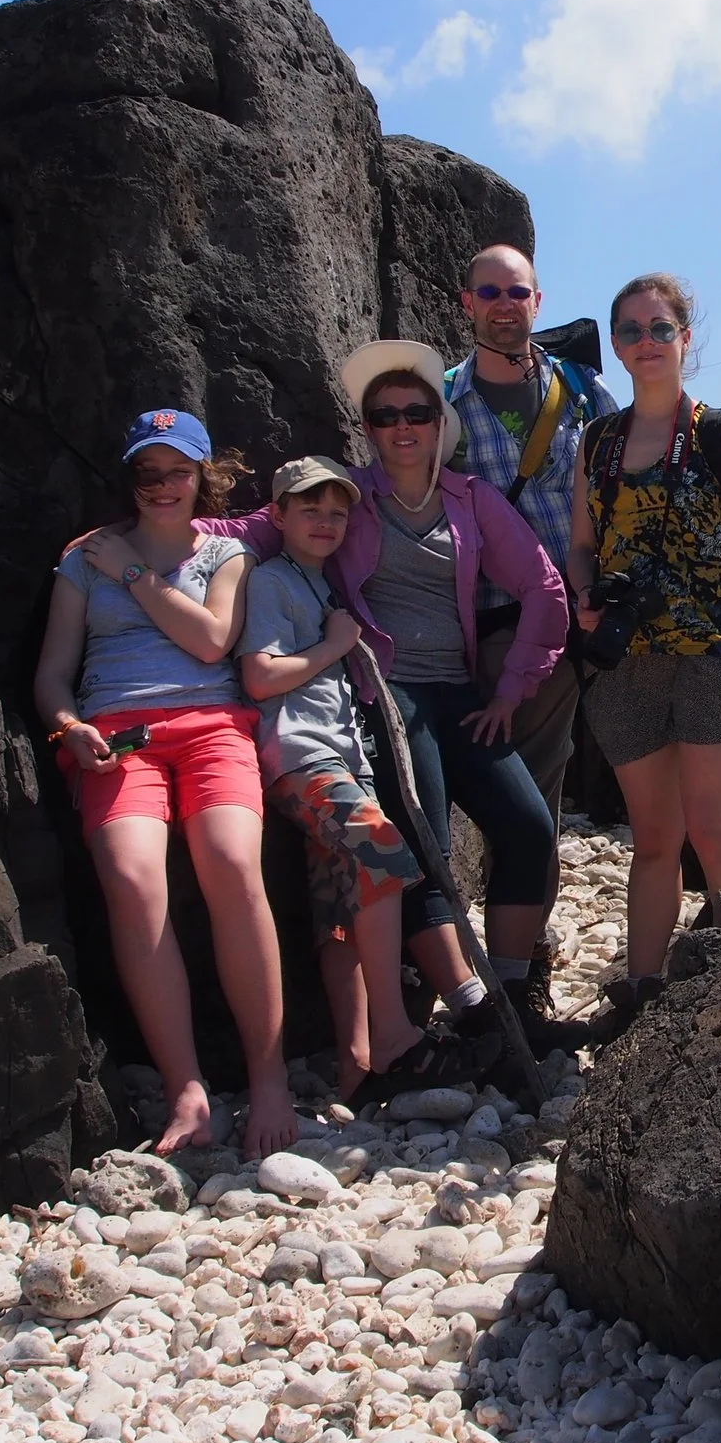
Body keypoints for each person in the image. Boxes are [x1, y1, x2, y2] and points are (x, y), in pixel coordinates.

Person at [202, 340, 585, 1053]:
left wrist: (511, 688)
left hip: (461, 693)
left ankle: (509, 997)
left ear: (441, 424)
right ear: (370, 428)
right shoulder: (346, 497)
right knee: (428, 847)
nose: (402, 425)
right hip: (388, 694)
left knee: (529, 827)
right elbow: (244, 528)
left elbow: (544, 587)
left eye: (417, 411)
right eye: (385, 414)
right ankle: (480, 1014)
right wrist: (138, 543)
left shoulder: (472, 502)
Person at [32, 409, 297, 1158]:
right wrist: (66, 725)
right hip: (116, 735)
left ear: (200, 475)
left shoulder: (224, 554)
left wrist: (132, 574)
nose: (162, 486)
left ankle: (269, 1075)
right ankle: (187, 1086)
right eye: (147, 473)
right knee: (132, 876)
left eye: (177, 470)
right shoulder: (82, 558)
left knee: (233, 862)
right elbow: (54, 672)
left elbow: (212, 639)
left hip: (213, 723)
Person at [569, 274, 721, 1018]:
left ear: (685, 338)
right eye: (632, 331)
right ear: (615, 346)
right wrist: (582, 599)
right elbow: (582, 543)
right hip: (627, 660)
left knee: (711, 829)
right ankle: (642, 996)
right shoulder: (598, 441)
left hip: (716, 651)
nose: (647, 342)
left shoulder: (720, 429)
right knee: (652, 838)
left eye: (660, 328)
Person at [237, 456, 504, 1099]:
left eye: (337, 513)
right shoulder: (274, 582)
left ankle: (355, 1063)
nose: (326, 523)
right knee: (383, 854)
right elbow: (260, 675)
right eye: (309, 511)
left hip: (337, 756)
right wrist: (334, 645)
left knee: (338, 907)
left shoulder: (319, 583)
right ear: (278, 516)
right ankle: (393, 1036)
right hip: (305, 756)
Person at [442, 243, 618, 1011]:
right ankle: (520, 973)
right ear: (466, 302)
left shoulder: (580, 389)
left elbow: (631, 479)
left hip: (595, 612)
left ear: (538, 302)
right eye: (491, 291)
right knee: (531, 797)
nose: (506, 303)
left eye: (519, 291)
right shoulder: (441, 401)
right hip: (508, 625)